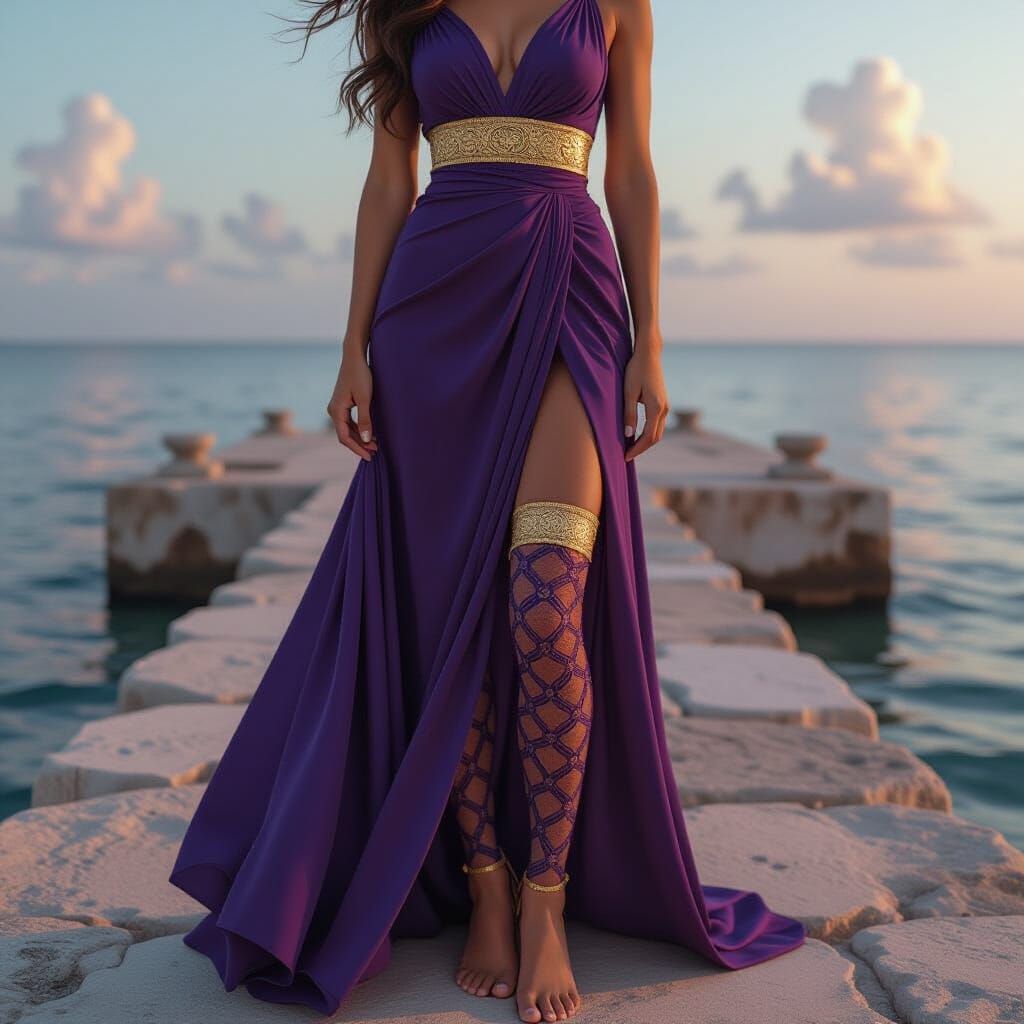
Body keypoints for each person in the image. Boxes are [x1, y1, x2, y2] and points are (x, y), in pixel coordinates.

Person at [168, 2, 807, 1021]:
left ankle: (548, 895)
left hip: (571, 294)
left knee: (546, 606)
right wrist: (353, 350)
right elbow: (389, 180)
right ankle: (487, 885)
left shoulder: (618, 5)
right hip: (432, 313)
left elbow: (631, 170)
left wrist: (650, 339)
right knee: (447, 615)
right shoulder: (403, 9)